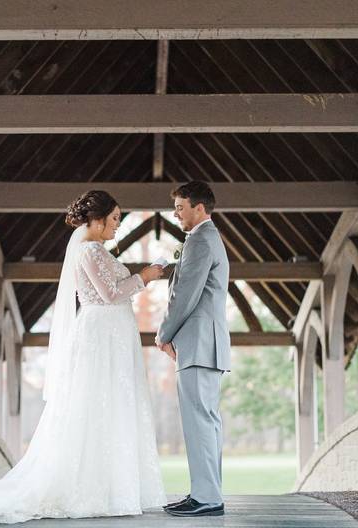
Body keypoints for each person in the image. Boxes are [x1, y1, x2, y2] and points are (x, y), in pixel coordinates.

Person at [0, 190, 167, 523]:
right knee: (92, 404)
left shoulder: (98, 249)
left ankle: (115, 486)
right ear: (97, 220)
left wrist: (141, 278)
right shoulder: (88, 251)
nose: (117, 225)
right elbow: (109, 294)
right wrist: (144, 277)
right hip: (101, 337)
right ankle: (90, 488)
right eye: (114, 219)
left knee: (112, 405)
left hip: (113, 337)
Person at [155, 180, 231, 518]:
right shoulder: (205, 239)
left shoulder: (201, 240)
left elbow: (185, 294)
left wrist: (162, 334)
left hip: (198, 344)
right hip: (206, 345)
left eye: (181, 208)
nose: (176, 213)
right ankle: (206, 493)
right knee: (207, 421)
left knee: (199, 421)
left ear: (199, 208)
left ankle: (206, 497)